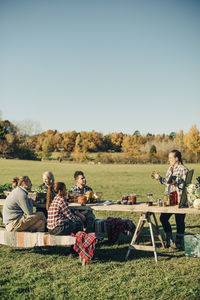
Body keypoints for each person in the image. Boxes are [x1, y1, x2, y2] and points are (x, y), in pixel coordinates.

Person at [151, 150, 188, 249]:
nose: (169, 160)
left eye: (171, 158)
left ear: (177, 158)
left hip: (180, 200)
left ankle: (179, 243)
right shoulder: (170, 169)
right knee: (163, 218)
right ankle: (170, 240)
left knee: (179, 221)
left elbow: (185, 185)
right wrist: (159, 178)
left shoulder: (183, 169)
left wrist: (175, 183)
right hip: (169, 200)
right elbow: (167, 183)